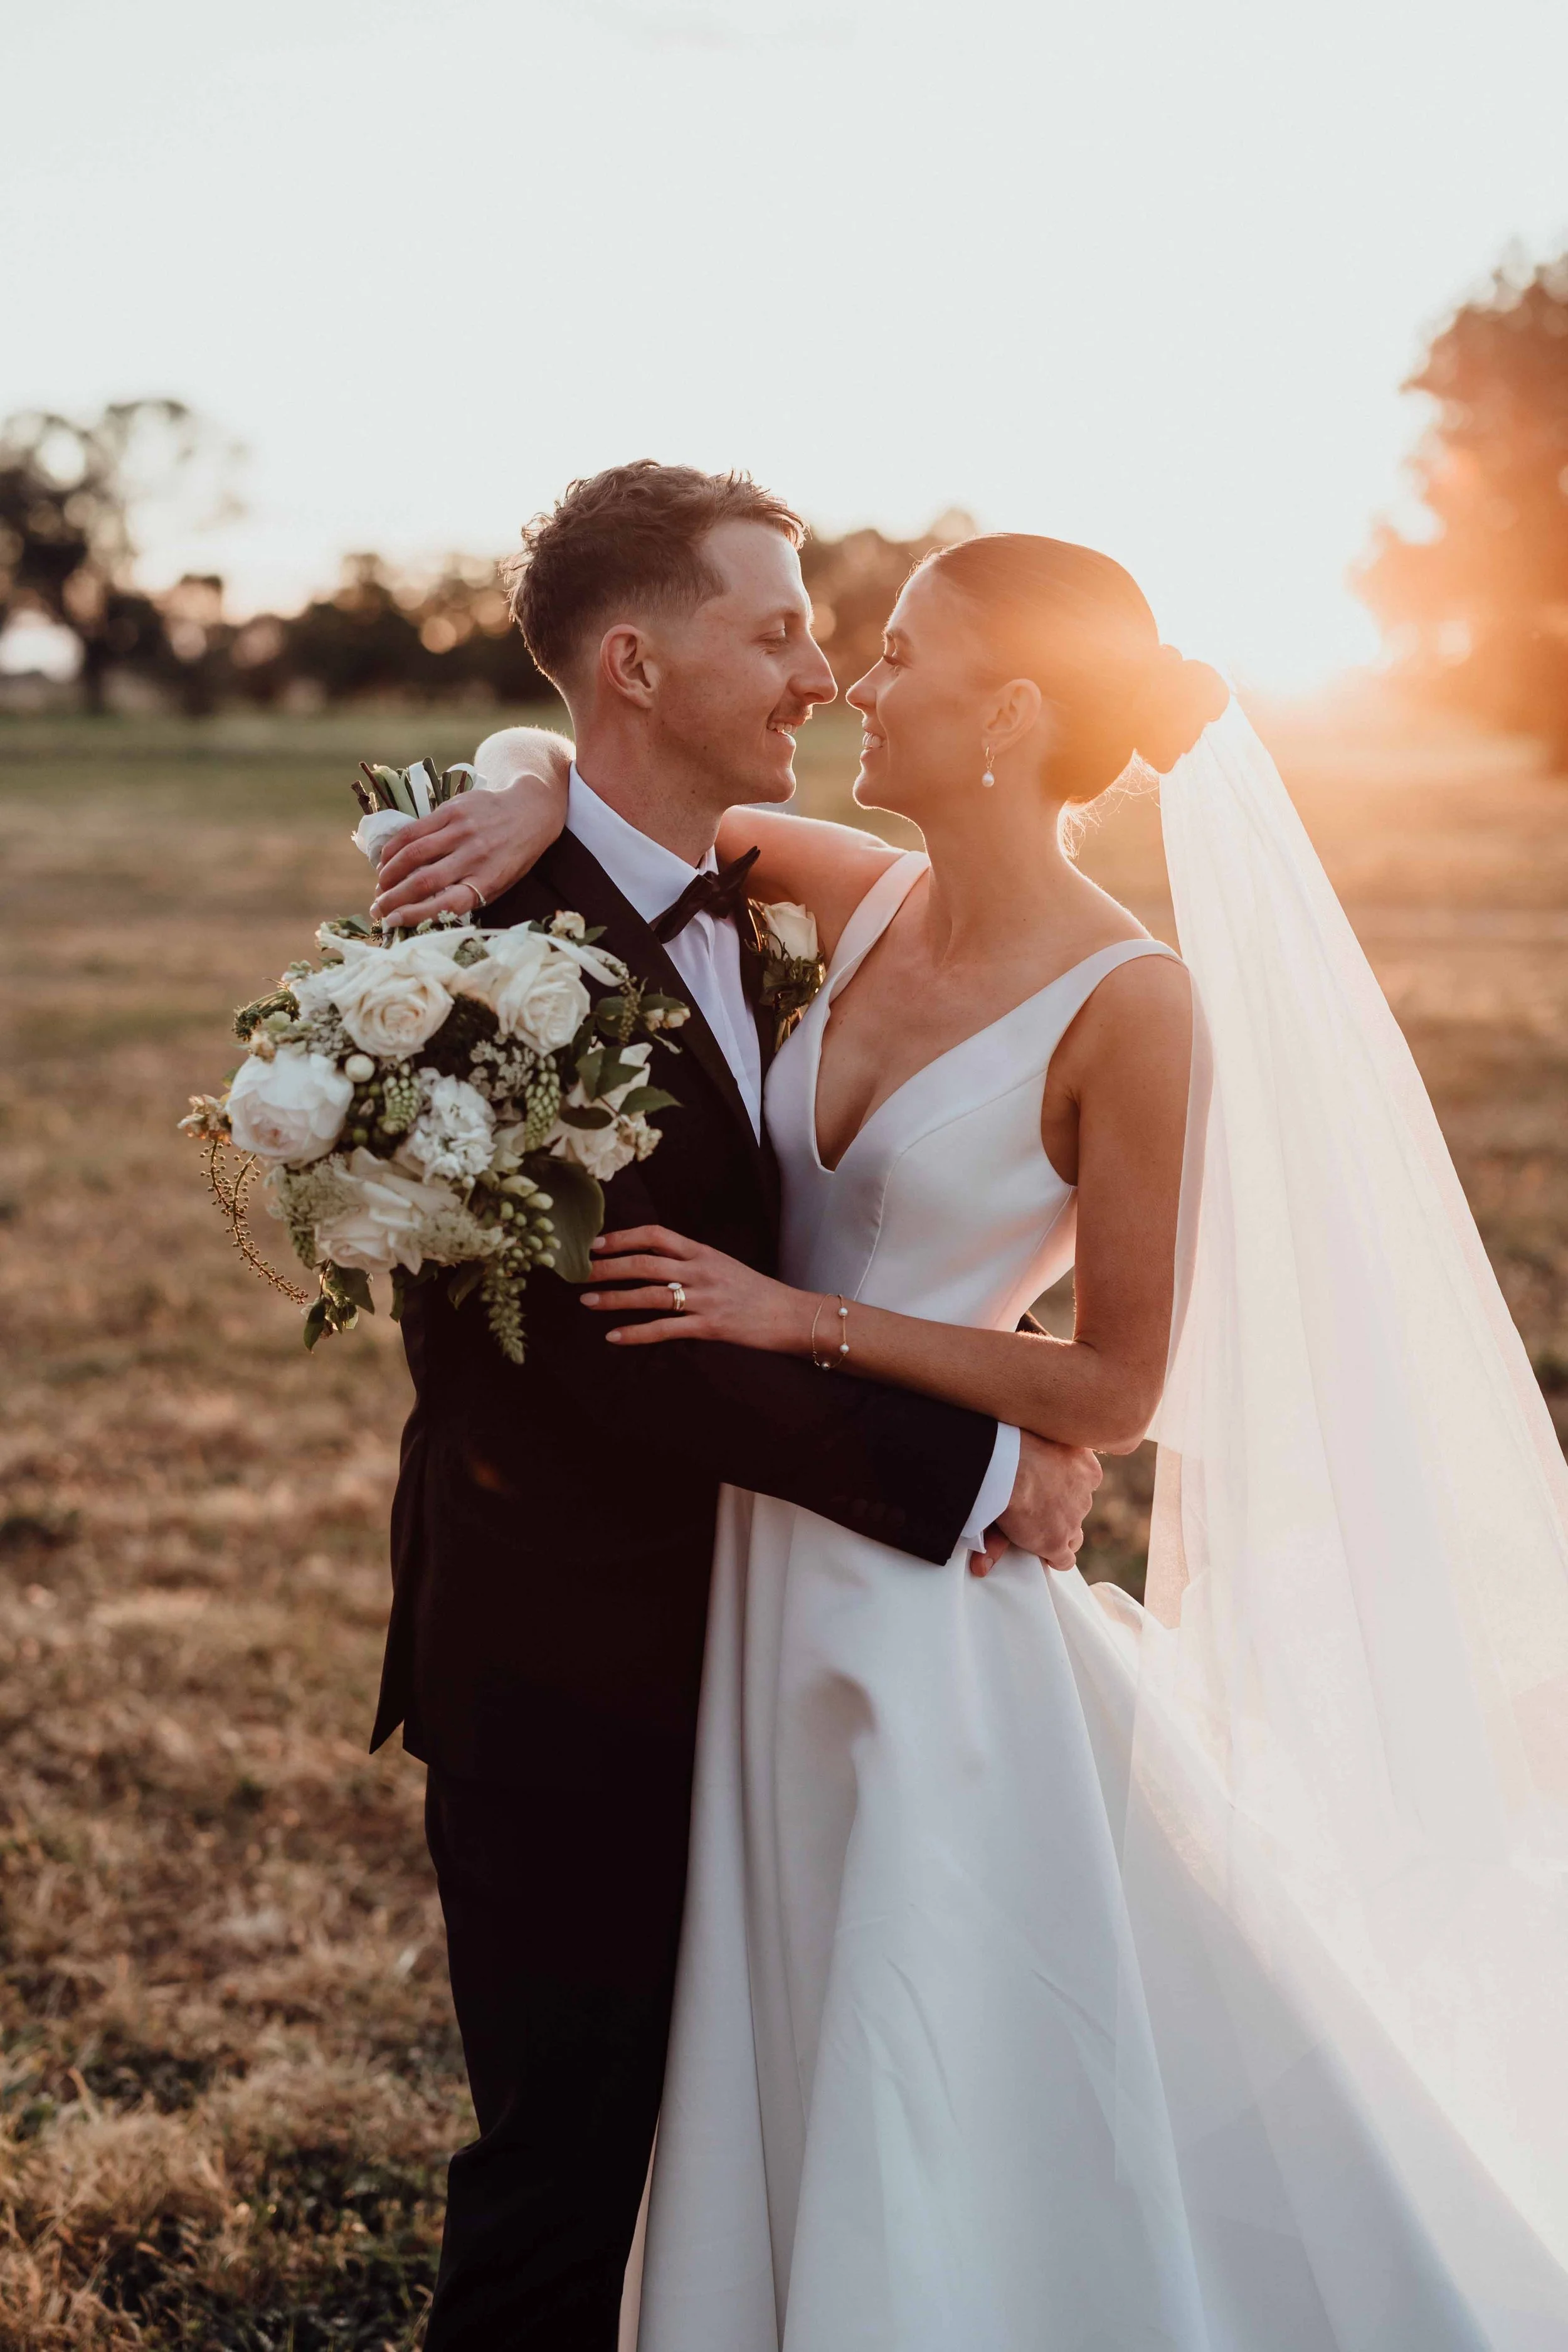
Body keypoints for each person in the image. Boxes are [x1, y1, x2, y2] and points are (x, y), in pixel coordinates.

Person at [388, 521, 1568, 2348]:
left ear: (1010, 711)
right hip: (749, 1578)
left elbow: (1114, 1390)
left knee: (922, 2070)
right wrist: (523, 775)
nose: (857, 683)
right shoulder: (852, 895)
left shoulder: (1131, 1005)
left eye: (904, 659)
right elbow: (633, 802)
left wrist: (806, 1317)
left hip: (923, 1623)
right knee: (756, 2033)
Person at [366, 465, 1102, 2352]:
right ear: (634, 660)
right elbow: (616, 1344)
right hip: (571, 1647)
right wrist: (980, 1468)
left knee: (797, 2133)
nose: (820, 671)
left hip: (786, 1640)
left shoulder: (791, 898)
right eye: (773, 629)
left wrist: (543, 762)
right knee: (566, 2164)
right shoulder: (467, 964)